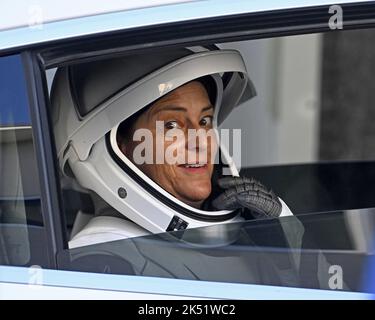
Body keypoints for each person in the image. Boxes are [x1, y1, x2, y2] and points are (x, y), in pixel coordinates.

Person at [51, 47, 293, 249]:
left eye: (205, 121)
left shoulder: (237, 235)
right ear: (123, 147)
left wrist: (286, 237)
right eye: (172, 125)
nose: (200, 141)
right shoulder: (101, 257)